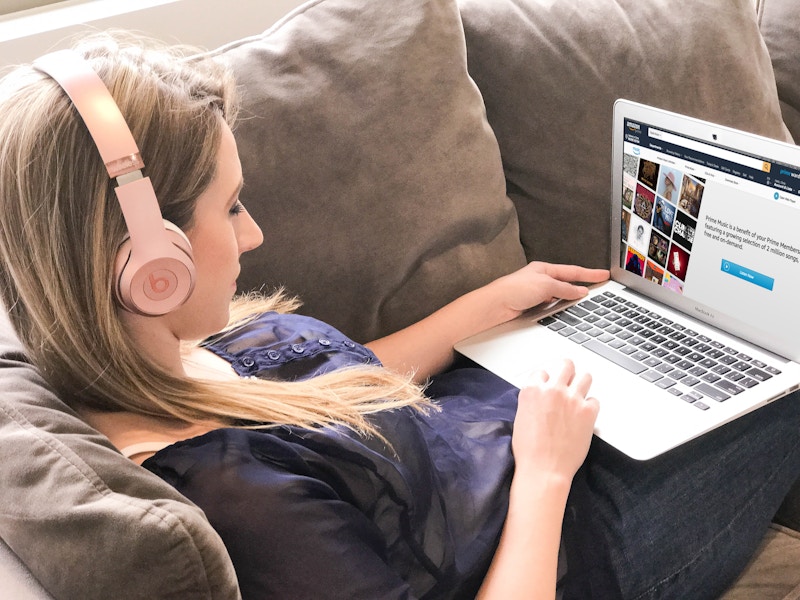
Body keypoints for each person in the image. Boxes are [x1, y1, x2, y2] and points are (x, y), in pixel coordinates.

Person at [0, 34, 798, 600]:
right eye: (231, 207)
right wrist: (548, 474)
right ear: (150, 269)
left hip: (523, 429)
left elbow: (333, 393)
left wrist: (485, 305)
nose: (253, 234)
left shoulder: (167, 356)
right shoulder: (242, 503)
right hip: (581, 533)